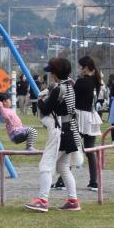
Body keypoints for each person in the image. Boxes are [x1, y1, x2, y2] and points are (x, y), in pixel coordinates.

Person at [25, 56, 82, 213]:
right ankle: (73, 200)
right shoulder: (71, 85)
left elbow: (45, 109)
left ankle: (42, 200)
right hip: (70, 130)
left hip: (59, 131)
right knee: (63, 167)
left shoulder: (59, 89)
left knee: (45, 165)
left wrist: (41, 99)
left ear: (55, 73)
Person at [73, 56, 103, 190]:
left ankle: (62, 180)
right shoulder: (96, 82)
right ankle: (94, 181)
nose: (78, 69)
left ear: (85, 68)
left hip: (80, 117)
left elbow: (74, 99)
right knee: (90, 151)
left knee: (71, 148)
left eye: (80, 67)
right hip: (92, 116)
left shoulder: (81, 82)